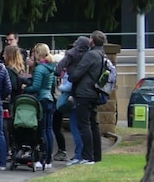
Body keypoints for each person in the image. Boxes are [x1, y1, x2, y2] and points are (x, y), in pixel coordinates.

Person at [67, 30, 107, 164]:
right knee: (93, 124)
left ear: (92, 41)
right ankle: (96, 155)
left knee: (84, 125)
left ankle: (87, 156)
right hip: (94, 92)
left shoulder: (91, 55)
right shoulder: (102, 54)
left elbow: (77, 73)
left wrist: (71, 74)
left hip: (84, 93)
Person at [55, 36, 91, 165]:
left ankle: (78, 155)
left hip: (73, 97)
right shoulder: (89, 56)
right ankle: (84, 154)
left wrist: (60, 86)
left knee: (76, 128)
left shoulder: (72, 56)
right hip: (86, 96)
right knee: (84, 127)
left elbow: (60, 70)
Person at [24, 43, 56, 170]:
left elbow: (36, 87)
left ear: (39, 54)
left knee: (42, 131)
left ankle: (42, 159)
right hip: (50, 99)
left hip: (41, 100)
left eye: (35, 53)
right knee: (49, 130)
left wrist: (25, 88)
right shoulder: (51, 67)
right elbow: (52, 85)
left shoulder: (39, 69)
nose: (34, 55)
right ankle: (48, 159)